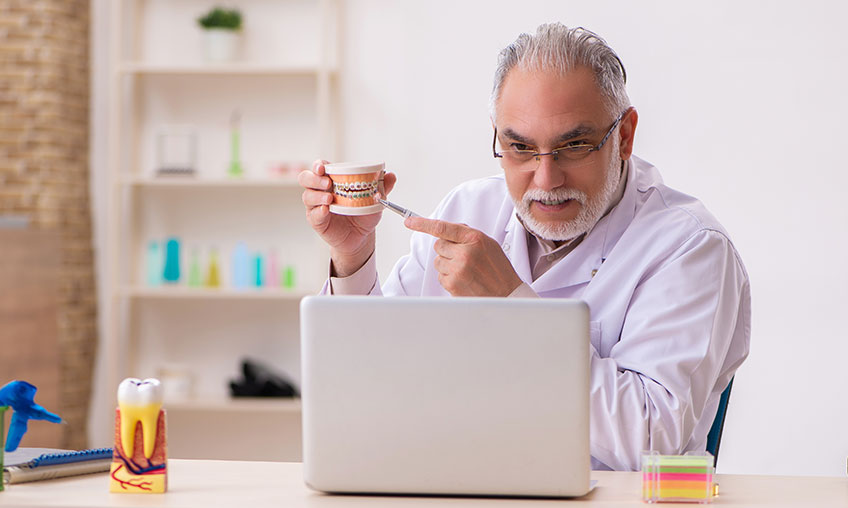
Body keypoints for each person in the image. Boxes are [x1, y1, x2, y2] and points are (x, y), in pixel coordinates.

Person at [298, 23, 750, 471]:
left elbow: (653, 439)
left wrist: (512, 306)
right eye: (520, 147)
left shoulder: (690, 249)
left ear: (625, 137)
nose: (546, 179)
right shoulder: (469, 209)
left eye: (574, 146)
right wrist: (353, 258)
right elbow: (367, 380)